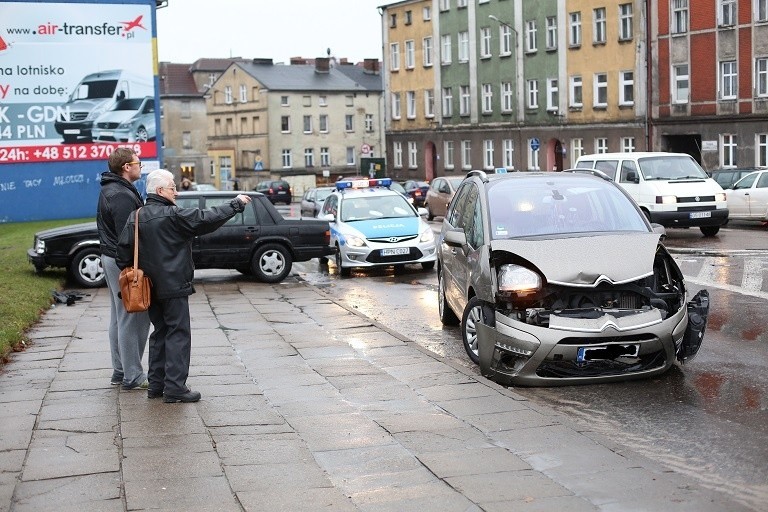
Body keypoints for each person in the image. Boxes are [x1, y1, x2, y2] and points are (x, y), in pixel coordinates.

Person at [116, 169, 252, 403]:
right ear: (160, 191)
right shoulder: (173, 216)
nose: (176, 192)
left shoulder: (135, 216)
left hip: (148, 287)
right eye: (172, 188)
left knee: (160, 333)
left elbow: (122, 255)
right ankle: (176, 388)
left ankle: (156, 386)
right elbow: (207, 219)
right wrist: (236, 204)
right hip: (174, 285)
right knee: (178, 334)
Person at [96, 147, 151, 390]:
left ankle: (120, 371)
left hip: (111, 258)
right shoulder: (120, 194)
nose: (141, 166)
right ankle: (133, 376)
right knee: (132, 316)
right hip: (121, 260)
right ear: (126, 167)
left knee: (119, 316)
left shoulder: (114, 189)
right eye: (138, 163)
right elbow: (126, 235)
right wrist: (133, 266)